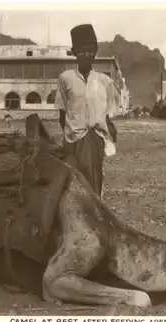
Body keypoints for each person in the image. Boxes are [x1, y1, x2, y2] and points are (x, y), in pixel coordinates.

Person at [54, 24, 118, 197]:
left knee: (94, 185)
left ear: (95, 52)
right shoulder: (65, 79)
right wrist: (71, 135)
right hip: (72, 140)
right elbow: (62, 112)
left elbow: (107, 115)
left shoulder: (105, 82)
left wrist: (104, 137)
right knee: (72, 184)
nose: (86, 55)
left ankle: (94, 216)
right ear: (74, 52)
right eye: (81, 51)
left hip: (95, 140)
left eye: (90, 51)